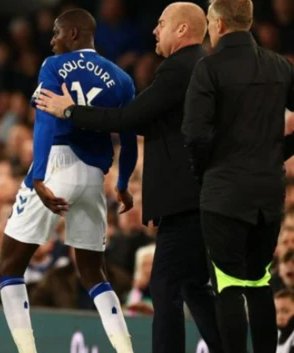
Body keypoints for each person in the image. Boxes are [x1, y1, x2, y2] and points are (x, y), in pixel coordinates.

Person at [33, 3, 223, 353]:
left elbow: (128, 119)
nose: (154, 30)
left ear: (182, 30)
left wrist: (70, 110)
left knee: (165, 290)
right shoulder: (206, 66)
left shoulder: (180, 68)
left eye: (161, 23)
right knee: (194, 286)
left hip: (184, 201)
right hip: (202, 197)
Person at [0, 9, 138, 353]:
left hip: (57, 164)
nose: (52, 39)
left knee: (9, 267)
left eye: (57, 32)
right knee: (93, 273)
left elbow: (44, 120)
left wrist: (41, 177)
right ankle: (126, 349)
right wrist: (123, 183)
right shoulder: (121, 78)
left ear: (74, 34)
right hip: (94, 177)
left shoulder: (52, 65)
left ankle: (27, 350)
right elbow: (130, 135)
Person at [182, 0, 294, 352]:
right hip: (268, 193)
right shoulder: (280, 65)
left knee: (228, 283)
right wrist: (278, 154)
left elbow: (195, 135)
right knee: (259, 279)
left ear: (217, 24)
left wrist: (206, 172)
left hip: (224, 192)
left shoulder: (209, 68)